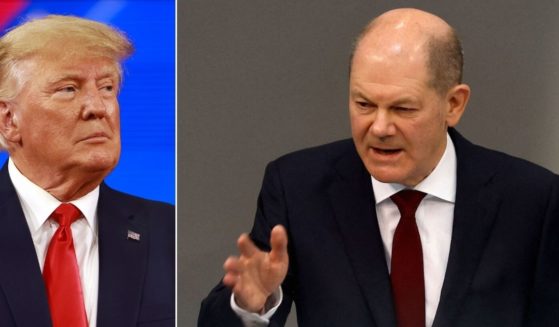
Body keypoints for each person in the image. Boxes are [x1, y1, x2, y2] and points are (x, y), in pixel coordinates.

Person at [199, 8, 559, 327]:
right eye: (364, 104)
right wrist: (251, 304)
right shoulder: (298, 188)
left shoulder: (533, 200)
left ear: (453, 104)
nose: (380, 128)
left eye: (403, 109)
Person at [0, 15, 174, 326]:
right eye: (68, 89)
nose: (99, 107)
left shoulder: (168, 232)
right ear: (8, 120)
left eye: (107, 87)